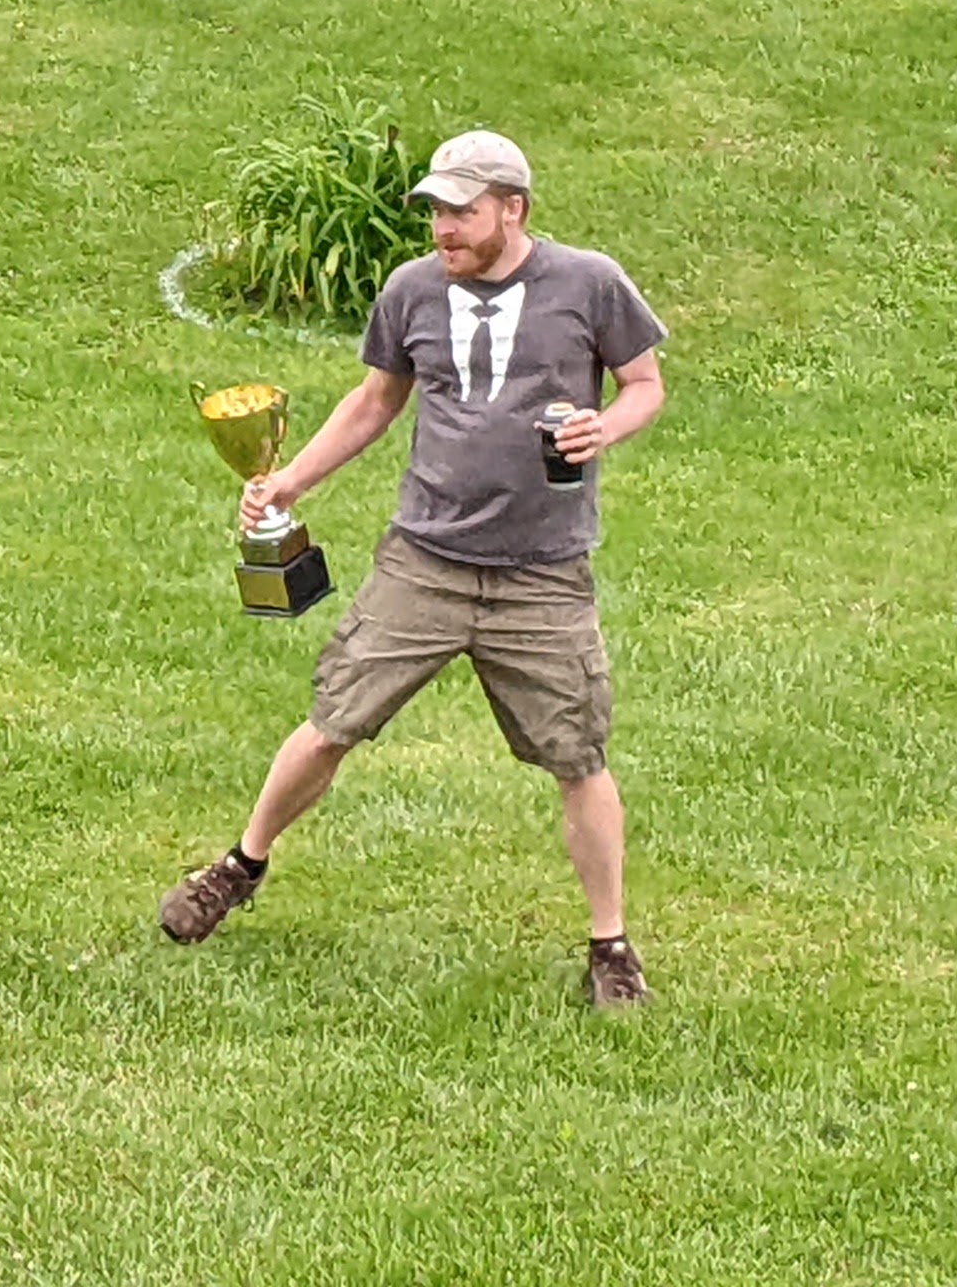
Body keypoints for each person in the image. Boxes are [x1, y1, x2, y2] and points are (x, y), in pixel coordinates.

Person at [156, 130, 670, 1009]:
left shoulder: (589, 284)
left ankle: (611, 947)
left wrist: (604, 428)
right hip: (425, 559)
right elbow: (374, 402)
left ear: (514, 209)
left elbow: (645, 384)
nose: (443, 228)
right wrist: (288, 479)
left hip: (542, 575)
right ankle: (240, 867)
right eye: (434, 211)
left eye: (461, 212)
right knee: (332, 723)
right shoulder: (412, 291)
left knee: (578, 757)